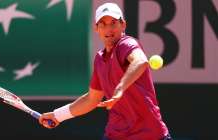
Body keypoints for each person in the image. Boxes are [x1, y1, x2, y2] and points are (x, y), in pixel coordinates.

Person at [39, 2, 172, 140]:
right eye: (103, 24)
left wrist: (120, 87)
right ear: (96, 28)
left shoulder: (126, 44)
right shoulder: (100, 59)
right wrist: (58, 115)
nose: (109, 29)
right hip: (116, 134)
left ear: (123, 25)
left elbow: (140, 61)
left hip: (150, 135)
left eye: (113, 23)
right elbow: (91, 99)